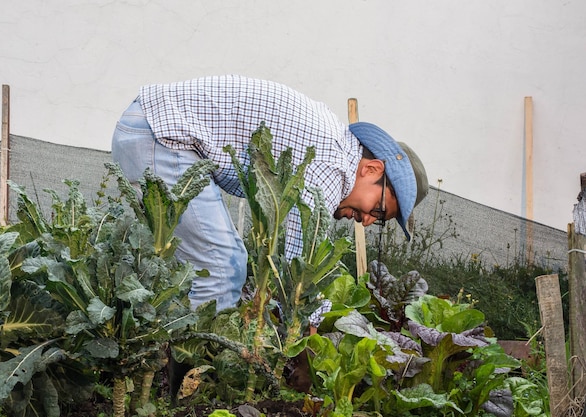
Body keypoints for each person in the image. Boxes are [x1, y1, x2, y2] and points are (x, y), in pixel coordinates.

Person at [111, 75, 428, 314]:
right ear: (371, 170)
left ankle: (155, 360)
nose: (370, 221)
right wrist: (312, 332)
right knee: (223, 265)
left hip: (151, 125)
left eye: (381, 221)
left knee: (195, 267)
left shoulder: (333, 148)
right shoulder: (332, 169)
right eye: (381, 210)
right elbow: (294, 276)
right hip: (163, 135)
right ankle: (190, 378)